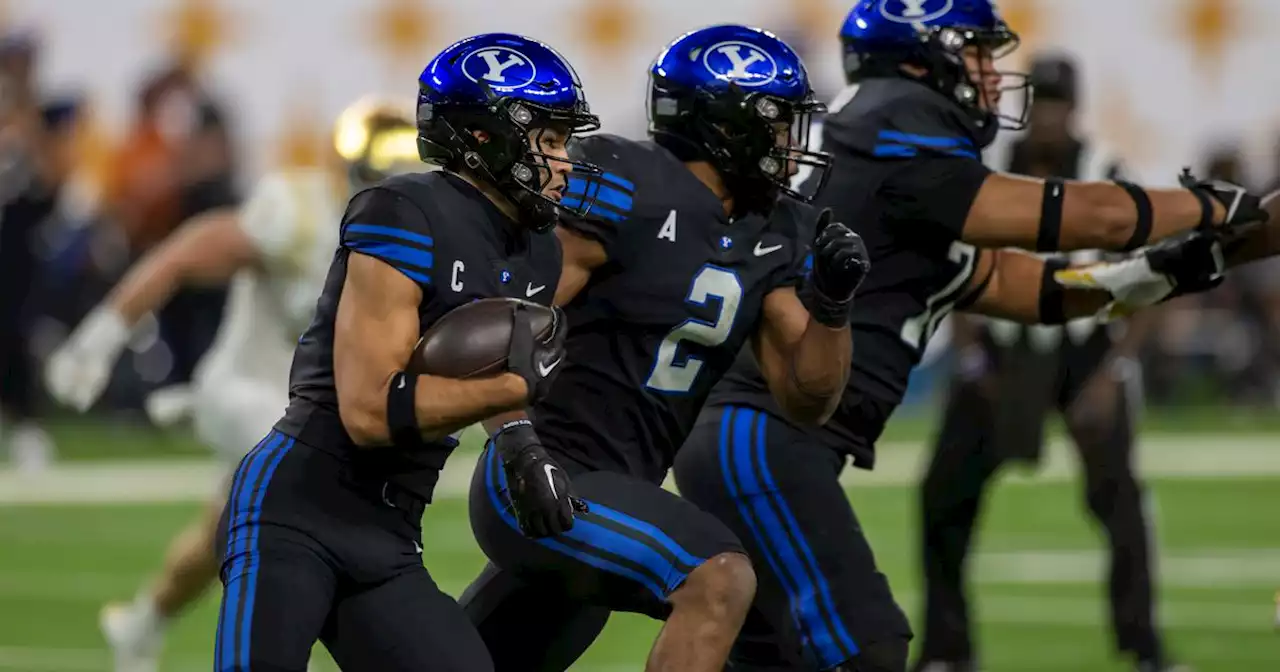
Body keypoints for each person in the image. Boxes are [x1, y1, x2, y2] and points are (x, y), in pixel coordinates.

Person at [673, 2, 1267, 671]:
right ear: (925, 60)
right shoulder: (895, 119)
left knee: (773, 660)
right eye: (979, 54)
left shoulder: (891, 171)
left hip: (759, 435)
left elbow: (1042, 292)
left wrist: (1186, 263)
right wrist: (1222, 206)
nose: (992, 75)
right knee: (866, 649)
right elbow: (1084, 217)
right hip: (761, 433)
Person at [460, 24, 869, 672]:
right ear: (730, 125)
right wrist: (516, 442)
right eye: (779, 122)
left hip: (619, 495)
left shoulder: (778, 226)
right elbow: (503, 327)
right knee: (717, 576)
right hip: (543, 474)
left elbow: (810, 397)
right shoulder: (629, 187)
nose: (794, 143)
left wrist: (832, 304)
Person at [207, 33, 598, 671]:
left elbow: (496, 359)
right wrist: (515, 390)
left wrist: (521, 445)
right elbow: (367, 410)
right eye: (549, 141)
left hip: (388, 531)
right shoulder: (403, 212)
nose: (564, 162)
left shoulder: (540, 248)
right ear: (483, 139)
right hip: (295, 511)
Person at [44, 97, 422, 672]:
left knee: (223, 530)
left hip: (308, 406)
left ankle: (142, 621)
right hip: (242, 390)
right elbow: (185, 255)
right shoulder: (300, 211)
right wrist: (98, 338)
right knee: (311, 500)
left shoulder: (411, 236)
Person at [916, 54, 1181, 672]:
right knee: (943, 495)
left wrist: (1116, 371)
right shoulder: (985, 172)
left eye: (1061, 104)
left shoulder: (1104, 173)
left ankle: (1144, 647)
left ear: (1076, 108)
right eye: (1043, 102)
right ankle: (947, 652)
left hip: (1084, 346)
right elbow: (950, 261)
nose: (1051, 117)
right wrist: (971, 357)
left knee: (1120, 499)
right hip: (1001, 345)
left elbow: (1156, 271)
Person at [0, 29, 79, 471]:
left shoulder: (44, 118)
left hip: (17, 246)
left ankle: (27, 426)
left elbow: (54, 180)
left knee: (15, 334)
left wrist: (25, 118)